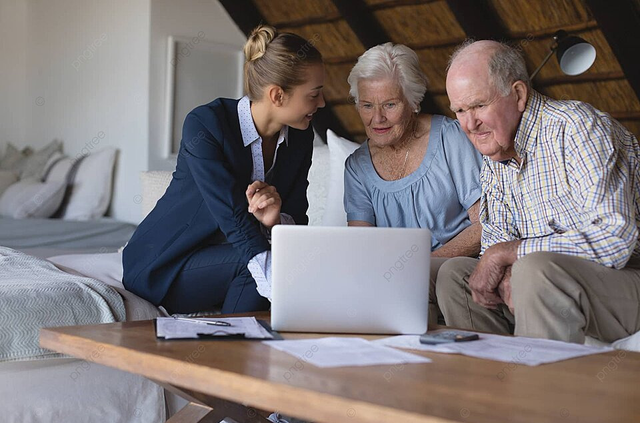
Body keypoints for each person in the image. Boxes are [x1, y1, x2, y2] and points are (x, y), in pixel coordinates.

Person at [438, 39, 640, 343]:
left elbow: (616, 239)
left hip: (626, 279)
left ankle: (539, 386)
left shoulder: (577, 129)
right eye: (460, 110)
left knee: (535, 270)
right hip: (554, 283)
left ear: (518, 94)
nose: (470, 124)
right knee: (455, 275)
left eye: (479, 105)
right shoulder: (495, 154)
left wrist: (513, 255)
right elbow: (495, 244)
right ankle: (492, 382)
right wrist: (506, 267)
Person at [123, 25, 325, 314]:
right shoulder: (206, 124)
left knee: (288, 263)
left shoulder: (301, 135)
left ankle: (253, 346)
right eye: (314, 94)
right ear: (278, 95)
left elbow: (296, 215)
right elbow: (233, 217)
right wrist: (283, 284)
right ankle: (232, 349)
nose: (323, 103)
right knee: (259, 266)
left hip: (225, 262)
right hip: (165, 264)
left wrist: (274, 221)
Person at [343, 42, 483, 323]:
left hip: (455, 272)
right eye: (367, 105)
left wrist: (422, 266)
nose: (377, 118)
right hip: (398, 280)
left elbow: (485, 224)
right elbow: (363, 246)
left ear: (413, 101)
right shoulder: (357, 167)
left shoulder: (450, 138)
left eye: (390, 105)